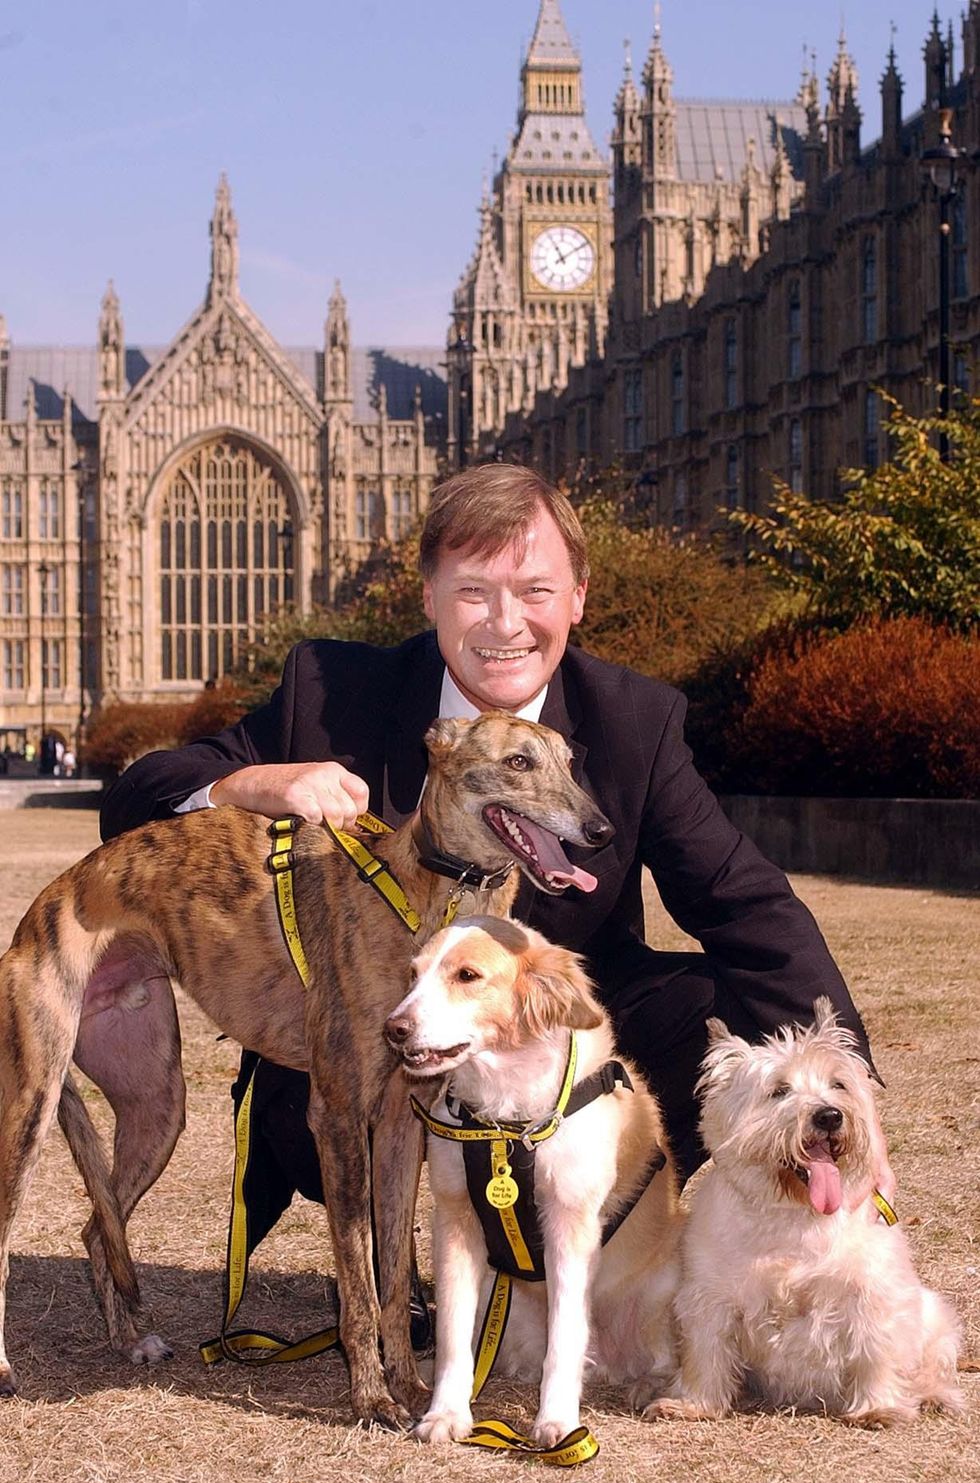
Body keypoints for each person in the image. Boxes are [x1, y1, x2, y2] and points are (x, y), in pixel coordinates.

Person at [101, 462, 886, 1219]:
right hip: (372, 1036)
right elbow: (140, 798)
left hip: (544, 1043)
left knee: (714, 1000)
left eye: (535, 590)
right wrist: (249, 783)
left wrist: (855, 1098)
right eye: (474, 591)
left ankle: (587, 1221)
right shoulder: (334, 693)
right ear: (430, 596)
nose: (505, 623)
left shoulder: (634, 721)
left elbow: (743, 902)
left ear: (577, 597)